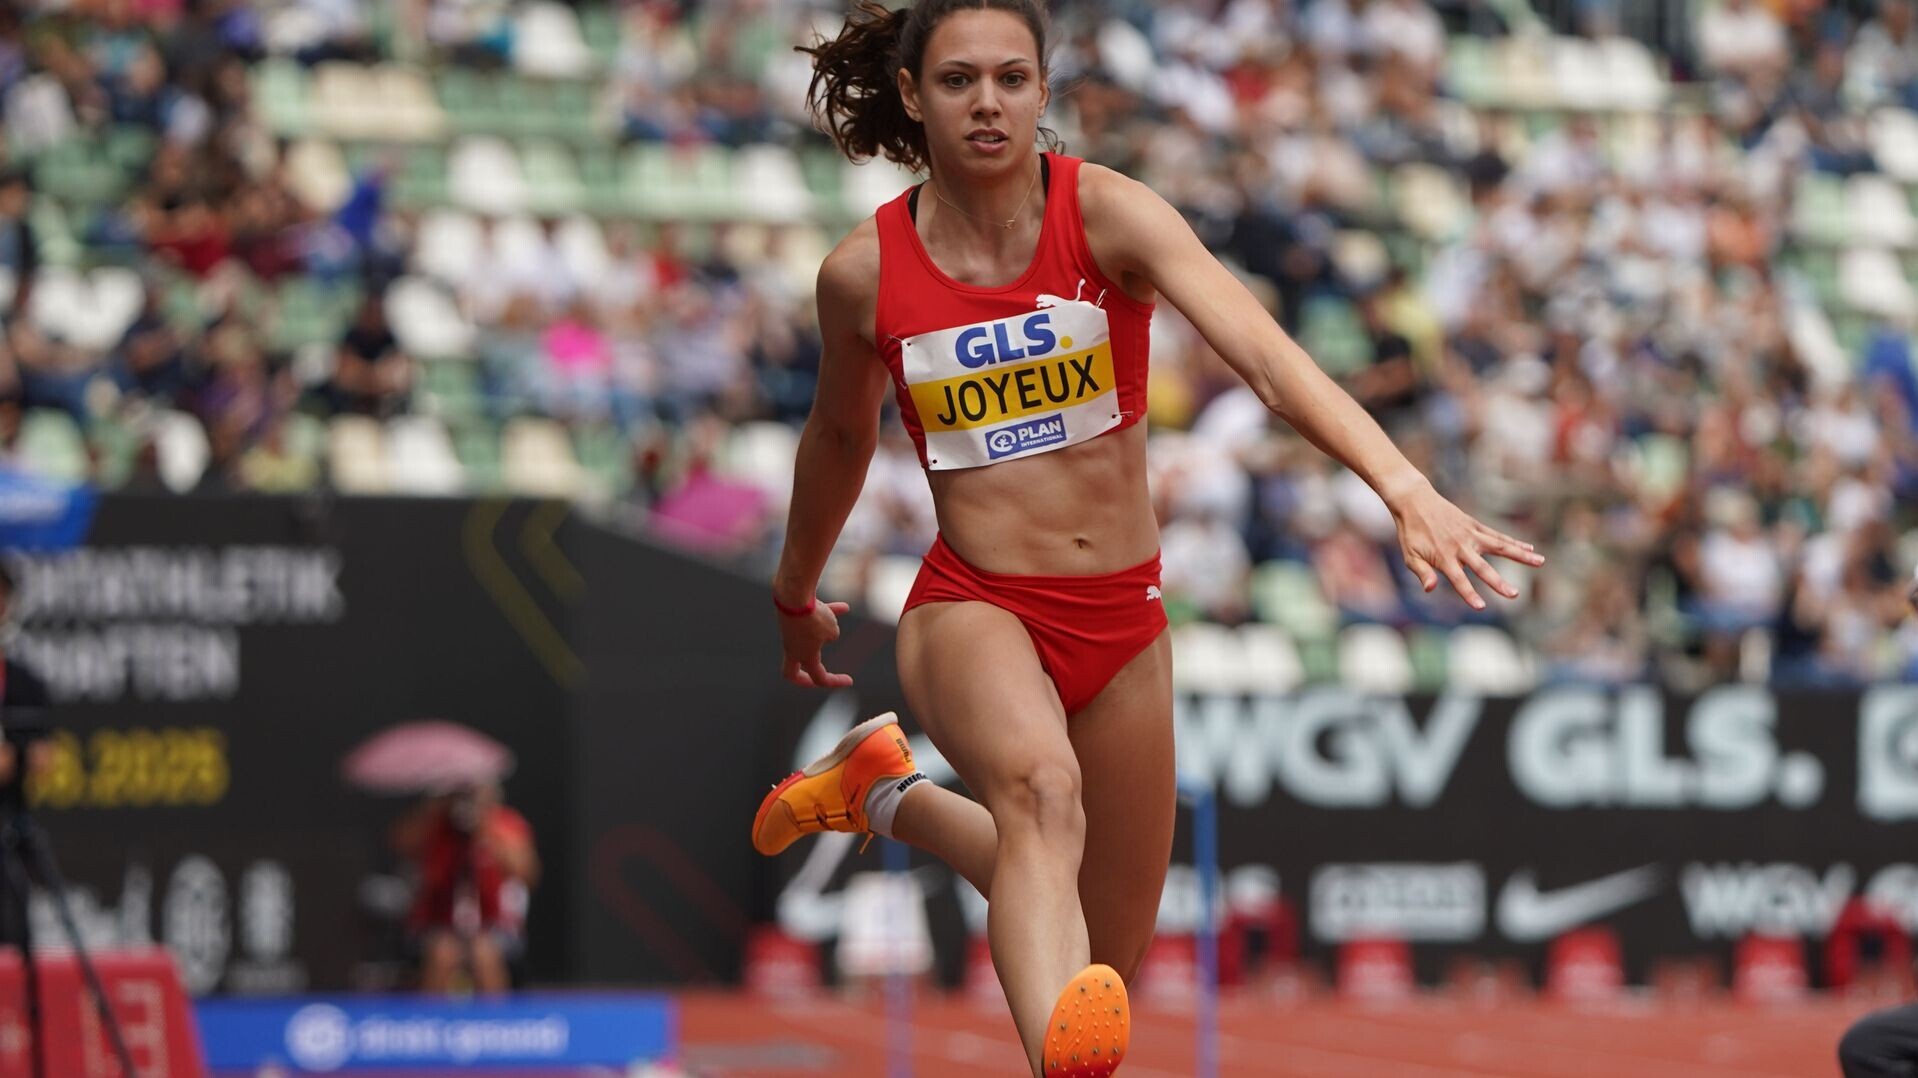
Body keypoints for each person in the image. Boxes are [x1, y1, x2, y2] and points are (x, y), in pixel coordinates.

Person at [749, 3, 1545, 1074]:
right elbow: (838, 436)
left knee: (1097, 951)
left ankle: (883, 795)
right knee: (1040, 794)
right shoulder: (864, 274)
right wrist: (796, 590)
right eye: (957, 81)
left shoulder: (1110, 214)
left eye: (1011, 78)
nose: (987, 103)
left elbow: (1266, 359)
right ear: (910, 94)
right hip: (974, 604)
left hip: (1123, 622)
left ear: (1042, 89)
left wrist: (1403, 486)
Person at [390, 780, 538, 994]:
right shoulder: (434, 825)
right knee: (443, 953)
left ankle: (494, 1023)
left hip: (494, 925)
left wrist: (485, 827)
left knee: (484, 953)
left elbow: (527, 873)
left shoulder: (504, 824)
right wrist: (434, 810)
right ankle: (433, 1023)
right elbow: (400, 844)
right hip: (438, 923)